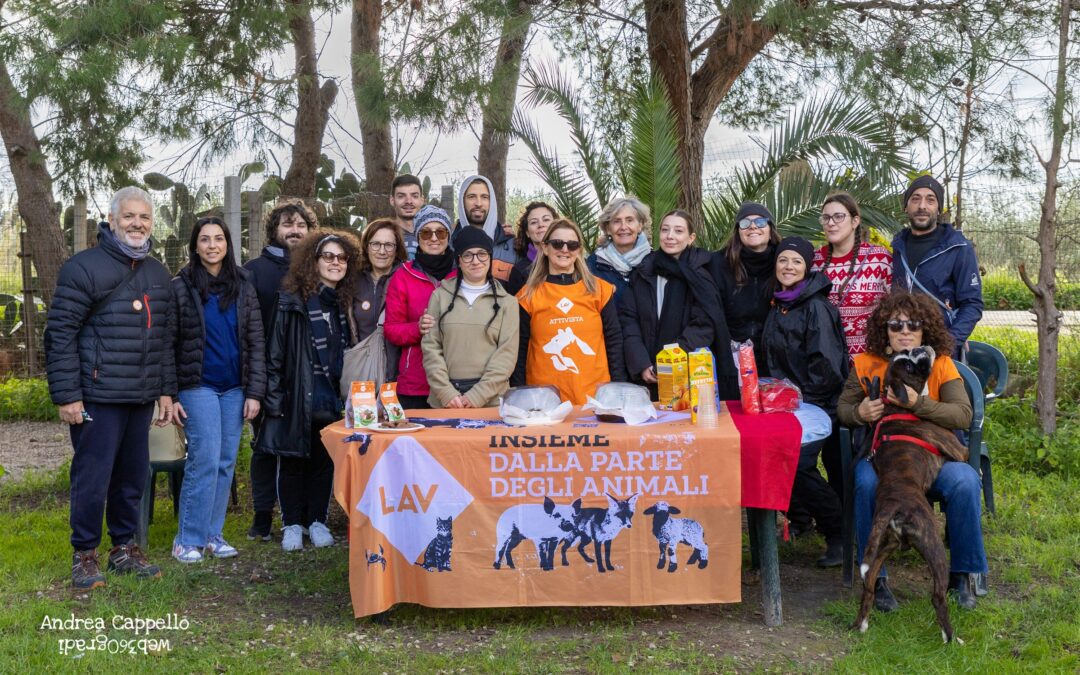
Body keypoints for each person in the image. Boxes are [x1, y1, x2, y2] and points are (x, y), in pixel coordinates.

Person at [45, 186, 174, 589]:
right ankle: (84, 554)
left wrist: (165, 390)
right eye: (129, 216)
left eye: (145, 218)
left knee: (132, 477)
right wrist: (68, 395)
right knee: (92, 477)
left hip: (140, 397)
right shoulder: (82, 268)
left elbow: (164, 338)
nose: (137, 224)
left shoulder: (157, 272)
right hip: (97, 397)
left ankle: (124, 549)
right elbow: (59, 334)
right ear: (112, 219)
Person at [838, 292, 984, 612]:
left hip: (933, 457)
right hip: (885, 458)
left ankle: (962, 574)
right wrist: (860, 412)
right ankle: (877, 580)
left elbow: (962, 415)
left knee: (965, 482)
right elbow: (843, 410)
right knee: (865, 484)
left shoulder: (940, 364)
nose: (905, 331)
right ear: (885, 332)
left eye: (913, 325)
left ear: (924, 330)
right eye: (896, 325)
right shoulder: (866, 364)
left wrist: (919, 404)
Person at [167, 217, 265, 563]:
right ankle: (187, 539)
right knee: (204, 459)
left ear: (228, 244)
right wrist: (171, 394)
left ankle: (212, 535)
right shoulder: (181, 286)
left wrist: (254, 391)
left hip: (235, 387)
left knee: (225, 461)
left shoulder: (243, 283)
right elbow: (169, 342)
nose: (212, 245)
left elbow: (255, 339)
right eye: (205, 239)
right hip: (198, 385)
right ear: (195, 245)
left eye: (218, 239)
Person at [256, 230, 361, 552]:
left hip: (330, 399)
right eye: (327, 256)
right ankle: (292, 523)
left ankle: (317, 521)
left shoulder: (344, 306)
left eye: (341, 258)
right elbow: (274, 354)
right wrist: (274, 398)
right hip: (296, 396)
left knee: (323, 463)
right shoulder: (291, 301)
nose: (335, 263)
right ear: (312, 261)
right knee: (291, 463)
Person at [760, 237, 848, 568]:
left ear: (807, 267)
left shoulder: (816, 308)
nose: (788, 267)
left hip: (818, 404)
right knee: (770, 454)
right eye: (783, 260)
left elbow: (825, 368)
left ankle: (838, 533)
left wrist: (796, 401)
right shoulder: (779, 304)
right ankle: (799, 519)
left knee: (797, 463)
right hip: (785, 405)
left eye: (796, 261)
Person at [243, 198, 314, 542]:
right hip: (265, 371)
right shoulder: (254, 270)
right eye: (288, 224)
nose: (295, 230)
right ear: (275, 230)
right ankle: (261, 516)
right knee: (264, 445)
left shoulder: (317, 267)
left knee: (301, 446)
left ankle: (299, 515)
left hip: (306, 373)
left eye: (301, 224)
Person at [619, 209, 736, 400]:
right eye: (665, 230)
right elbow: (628, 320)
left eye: (678, 231)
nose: (670, 236)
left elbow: (704, 324)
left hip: (689, 374)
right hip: (647, 374)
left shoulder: (701, 273)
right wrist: (640, 362)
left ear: (691, 238)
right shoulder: (643, 271)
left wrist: (670, 360)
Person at [515, 218, 627, 404]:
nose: (565, 250)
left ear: (579, 250)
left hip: (595, 396)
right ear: (545, 247)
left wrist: (617, 388)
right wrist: (520, 393)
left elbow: (614, 342)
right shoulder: (527, 296)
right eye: (557, 243)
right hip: (545, 399)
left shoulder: (599, 290)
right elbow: (520, 349)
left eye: (572, 245)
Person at [422, 228, 519, 408]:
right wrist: (446, 392)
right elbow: (431, 348)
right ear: (459, 260)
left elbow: (506, 356)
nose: (476, 261)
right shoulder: (439, 297)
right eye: (468, 255)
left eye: (482, 254)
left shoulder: (508, 303)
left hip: (490, 403)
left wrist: (477, 395)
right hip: (447, 402)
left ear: (490, 258)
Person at [891, 175, 983, 360]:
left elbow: (972, 304)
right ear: (906, 207)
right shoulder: (896, 248)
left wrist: (949, 342)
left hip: (940, 353)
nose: (922, 206)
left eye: (930, 199)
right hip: (901, 347)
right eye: (915, 199)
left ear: (939, 207)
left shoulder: (958, 248)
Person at [385, 205, 458, 409]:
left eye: (440, 232)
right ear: (417, 237)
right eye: (426, 232)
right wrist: (417, 328)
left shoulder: (462, 275)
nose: (433, 238)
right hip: (416, 382)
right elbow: (391, 329)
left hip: (458, 381)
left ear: (448, 236)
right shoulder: (403, 276)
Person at [813, 192, 892, 360]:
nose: (831, 223)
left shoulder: (878, 258)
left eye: (838, 217)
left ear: (855, 221)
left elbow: (897, 307)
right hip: (827, 362)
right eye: (826, 218)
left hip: (871, 360)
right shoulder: (814, 261)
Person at [708, 201, 782, 375]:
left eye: (761, 222)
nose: (753, 227)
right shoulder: (718, 263)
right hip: (729, 358)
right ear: (738, 231)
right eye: (745, 223)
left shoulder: (784, 261)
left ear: (771, 229)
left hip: (774, 358)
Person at [351, 218, 406, 360]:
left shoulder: (406, 279)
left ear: (397, 249)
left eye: (388, 245)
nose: (382, 251)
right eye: (375, 244)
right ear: (366, 246)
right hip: (361, 366)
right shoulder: (352, 280)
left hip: (397, 370)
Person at [451, 175, 518, 284]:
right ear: (462, 201)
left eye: (484, 197)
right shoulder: (449, 245)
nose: (478, 203)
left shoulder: (512, 246)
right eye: (472, 196)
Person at [586, 196, 652, 302]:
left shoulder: (654, 262)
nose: (623, 227)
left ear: (640, 225)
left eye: (629, 220)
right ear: (607, 228)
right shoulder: (592, 265)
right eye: (617, 221)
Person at [506, 201, 559, 296]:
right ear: (527, 232)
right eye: (534, 222)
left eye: (546, 220)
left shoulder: (573, 261)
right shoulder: (519, 271)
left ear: (556, 225)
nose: (541, 225)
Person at [389, 174, 425, 261]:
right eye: (401, 196)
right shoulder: (386, 235)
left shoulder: (435, 235)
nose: (408, 201)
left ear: (422, 200)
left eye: (414, 196)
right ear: (392, 200)